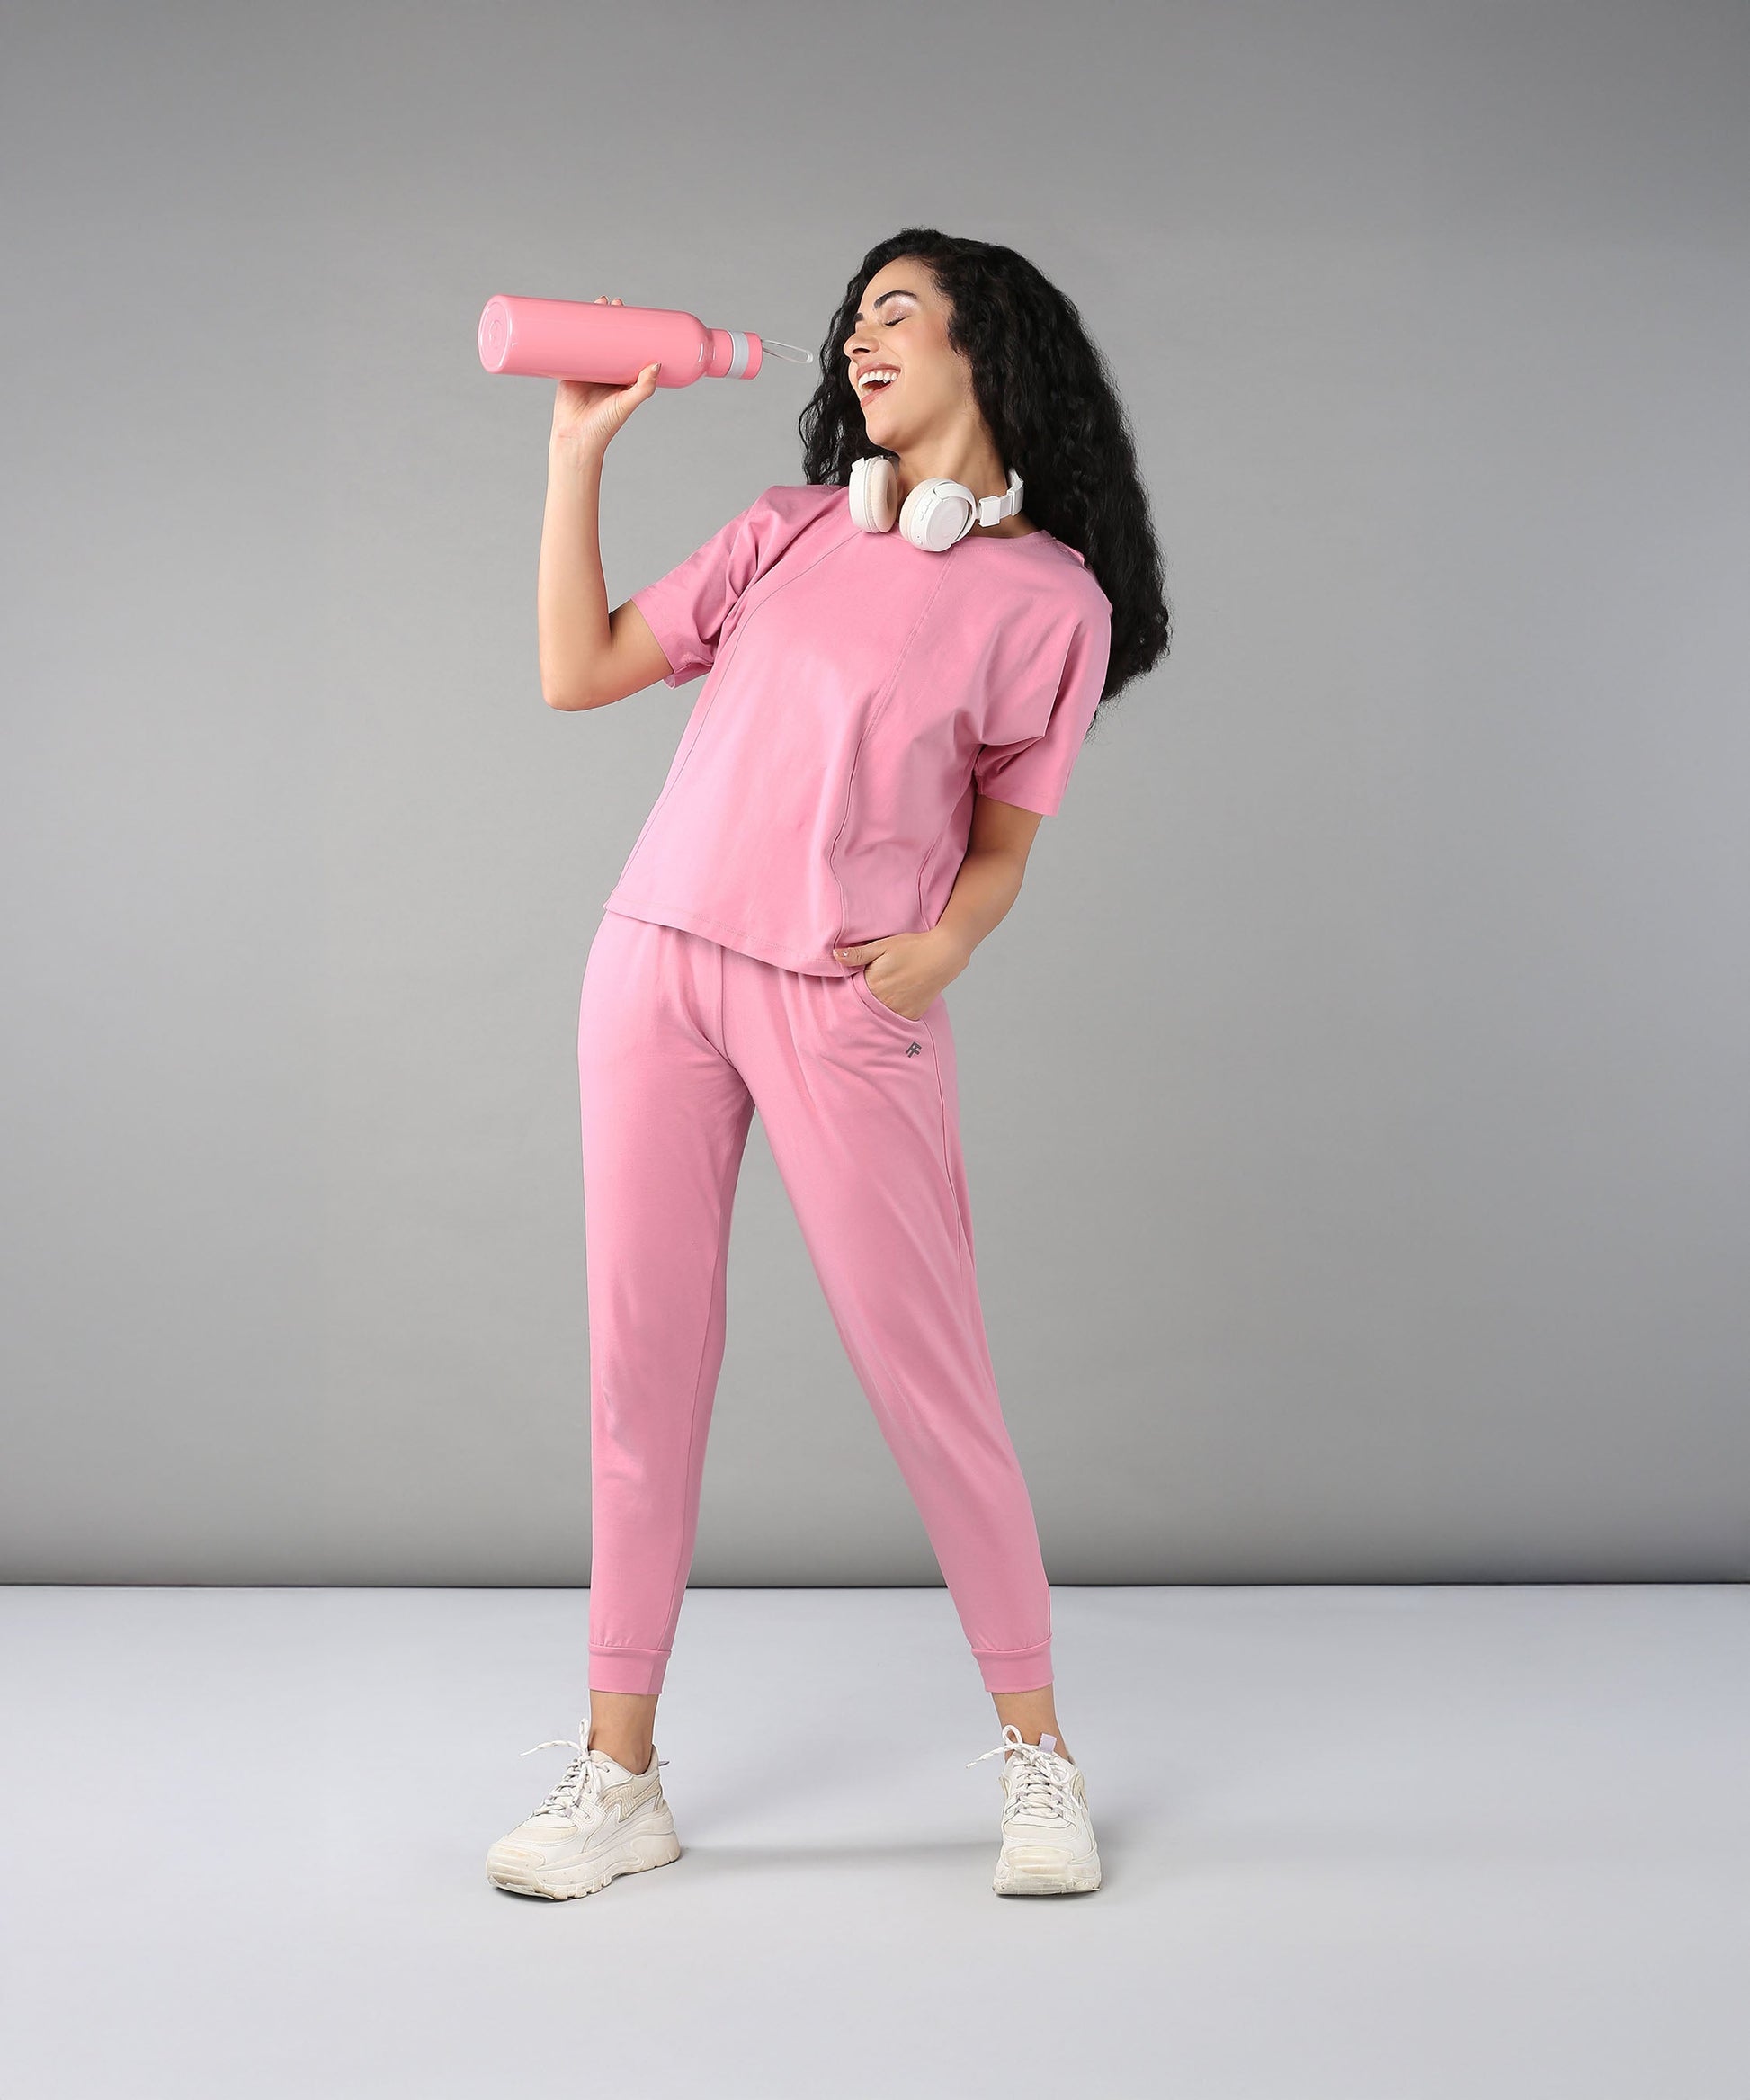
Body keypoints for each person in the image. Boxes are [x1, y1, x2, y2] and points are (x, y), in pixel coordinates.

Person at [487, 228, 1172, 1902]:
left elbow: (1001, 846)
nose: (858, 338)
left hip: (838, 995)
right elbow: (576, 674)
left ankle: (1038, 1759)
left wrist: (948, 946)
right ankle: (618, 1777)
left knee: (926, 1375)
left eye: (896, 312)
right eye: (852, 317)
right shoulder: (789, 531)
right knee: (639, 1377)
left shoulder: (1047, 602)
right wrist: (577, 455)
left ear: (984, 350)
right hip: (653, 960)